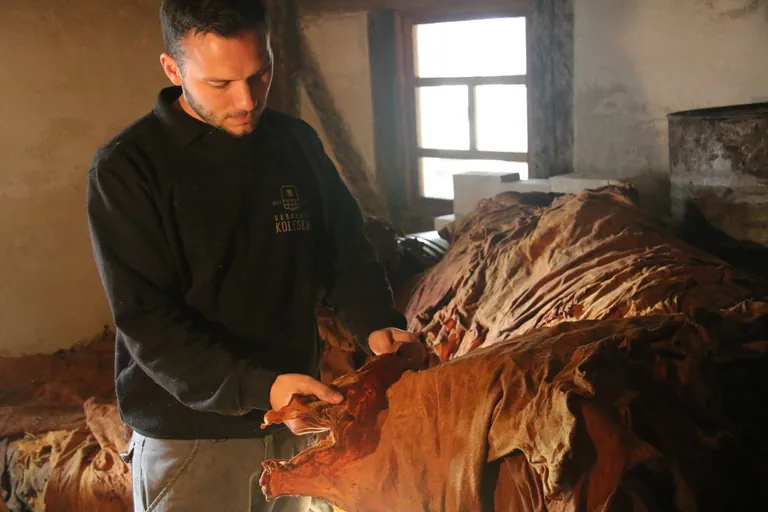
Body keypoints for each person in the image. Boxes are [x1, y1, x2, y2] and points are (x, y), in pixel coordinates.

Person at [85, 1, 418, 510]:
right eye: (220, 84)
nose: (246, 100)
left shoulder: (295, 143)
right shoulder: (128, 169)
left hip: (292, 419)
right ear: (173, 70)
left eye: (260, 75)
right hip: (192, 439)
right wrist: (261, 387)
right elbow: (148, 323)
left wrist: (374, 323)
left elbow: (343, 251)